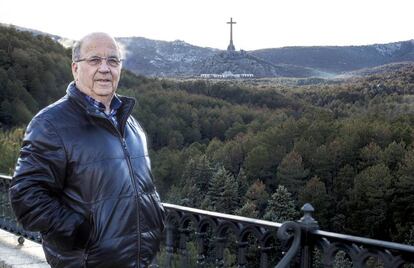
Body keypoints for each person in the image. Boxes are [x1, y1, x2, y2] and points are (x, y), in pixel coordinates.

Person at [9, 32, 165, 268]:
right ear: (75, 68)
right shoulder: (50, 124)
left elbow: (141, 185)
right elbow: (25, 196)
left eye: (113, 61)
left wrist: (157, 214)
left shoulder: (130, 123)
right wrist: (78, 232)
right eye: (94, 60)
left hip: (143, 261)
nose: (105, 68)